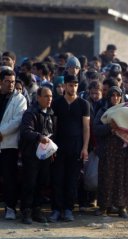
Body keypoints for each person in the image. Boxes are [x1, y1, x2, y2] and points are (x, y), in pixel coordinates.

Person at [93, 86, 128, 218]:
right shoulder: (103, 111)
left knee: (123, 178)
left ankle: (122, 207)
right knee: (106, 178)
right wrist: (109, 127)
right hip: (108, 151)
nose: (115, 98)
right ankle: (103, 207)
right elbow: (96, 129)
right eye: (112, 95)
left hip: (125, 151)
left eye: (118, 95)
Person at [50, 74, 90, 222]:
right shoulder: (57, 103)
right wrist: (52, 147)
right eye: (70, 85)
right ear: (65, 86)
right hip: (59, 146)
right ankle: (56, 209)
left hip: (76, 146)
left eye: (75, 85)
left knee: (72, 180)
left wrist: (85, 147)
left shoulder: (83, 104)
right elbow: (53, 126)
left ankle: (68, 209)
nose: (73, 88)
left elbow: (86, 128)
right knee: (57, 178)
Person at [19, 86, 56, 224]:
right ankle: (26, 210)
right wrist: (39, 137)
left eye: (51, 96)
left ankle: (37, 209)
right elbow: (26, 131)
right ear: (38, 97)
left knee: (42, 181)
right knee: (30, 182)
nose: (49, 99)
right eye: (46, 96)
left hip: (45, 154)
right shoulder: (31, 112)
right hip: (31, 154)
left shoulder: (51, 113)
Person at [0, 69, 28, 220]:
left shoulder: (20, 99)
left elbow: (17, 121)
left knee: (9, 177)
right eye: (7, 81)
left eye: (12, 81)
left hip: (8, 144)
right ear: (1, 82)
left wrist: (1, 132)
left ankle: (10, 208)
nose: (10, 84)